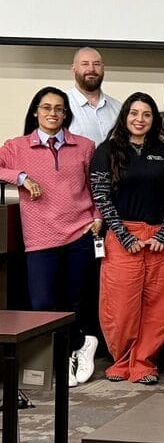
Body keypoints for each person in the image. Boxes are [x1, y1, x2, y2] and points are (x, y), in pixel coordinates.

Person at [0, 87, 102, 386]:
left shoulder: (84, 146)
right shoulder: (17, 147)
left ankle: (69, 354)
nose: (52, 113)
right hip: (40, 237)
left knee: (74, 302)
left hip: (79, 232)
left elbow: (96, 186)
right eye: (46, 107)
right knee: (42, 303)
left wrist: (98, 217)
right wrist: (21, 177)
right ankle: (76, 345)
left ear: (66, 114)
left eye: (59, 108)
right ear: (36, 111)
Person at [89, 92, 164, 384]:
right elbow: (101, 197)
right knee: (120, 305)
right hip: (123, 237)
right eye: (134, 113)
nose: (139, 119)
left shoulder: (163, 152)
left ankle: (144, 363)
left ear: (154, 119)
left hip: (161, 239)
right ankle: (121, 360)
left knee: (158, 305)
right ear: (125, 116)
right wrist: (124, 236)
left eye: (146, 114)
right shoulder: (107, 151)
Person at [68, 46, 122, 146]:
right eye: (85, 64)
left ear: (103, 69)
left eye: (96, 64)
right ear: (73, 69)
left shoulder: (118, 108)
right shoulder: (62, 105)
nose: (91, 69)